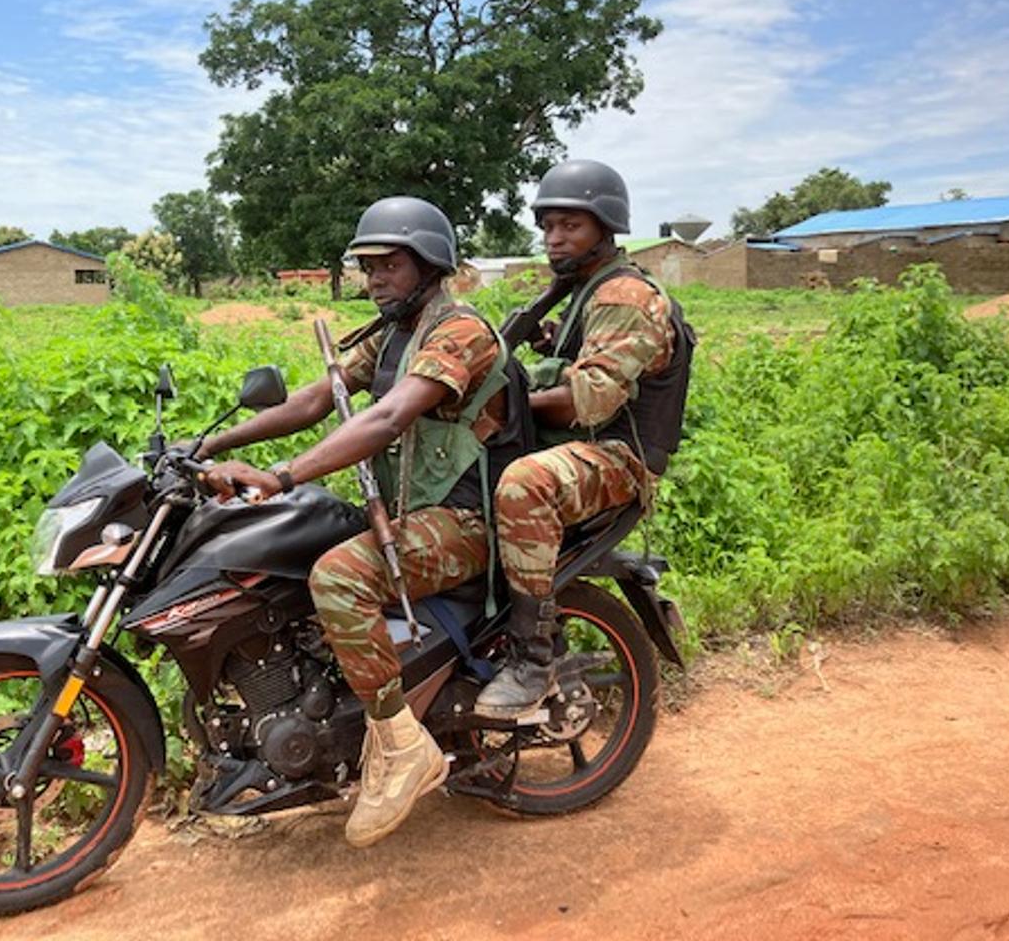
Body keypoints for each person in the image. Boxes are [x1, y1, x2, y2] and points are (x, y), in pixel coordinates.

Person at [195, 196, 517, 847]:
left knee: (339, 576)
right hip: (412, 515)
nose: (373, 281)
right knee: (289, 551)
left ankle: (402, 747)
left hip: (463, 519)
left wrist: (282, 475)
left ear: (428, 266)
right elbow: (317, 399)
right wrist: (211, 447)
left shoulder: (460, 332)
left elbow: (387, 418)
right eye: (367, 268)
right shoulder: (393, 333)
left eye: (387, 267)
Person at [474, 159, 694, 719]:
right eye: (548, 227)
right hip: (582, 444)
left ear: (605, 226)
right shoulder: (584, 291)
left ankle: (532, 658)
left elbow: (587, 399)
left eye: (570, 226)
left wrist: (500, 405)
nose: (554, 239)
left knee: (525, 484)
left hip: (620, 456)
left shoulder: (623, 295)